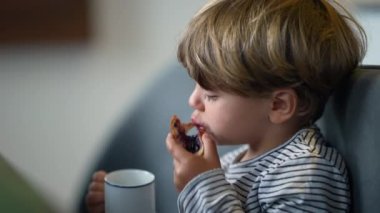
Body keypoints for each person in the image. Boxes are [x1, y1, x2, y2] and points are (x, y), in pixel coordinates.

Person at [85, 0, 367, 212]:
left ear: (279, 105)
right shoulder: (236, 161)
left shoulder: (306, 176)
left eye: (210, 95)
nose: (192, 101)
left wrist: (202, 184)